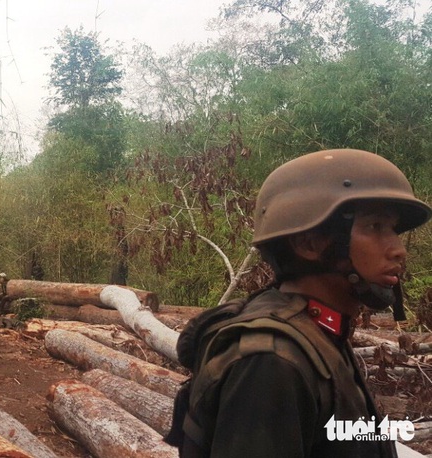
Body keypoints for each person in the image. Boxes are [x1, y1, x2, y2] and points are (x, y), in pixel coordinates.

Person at [170, 149, 431, 457]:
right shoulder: (270, 359)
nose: (398, 249)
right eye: (374, 227)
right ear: (309, 244)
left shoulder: (320, 331)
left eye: (393, 230)